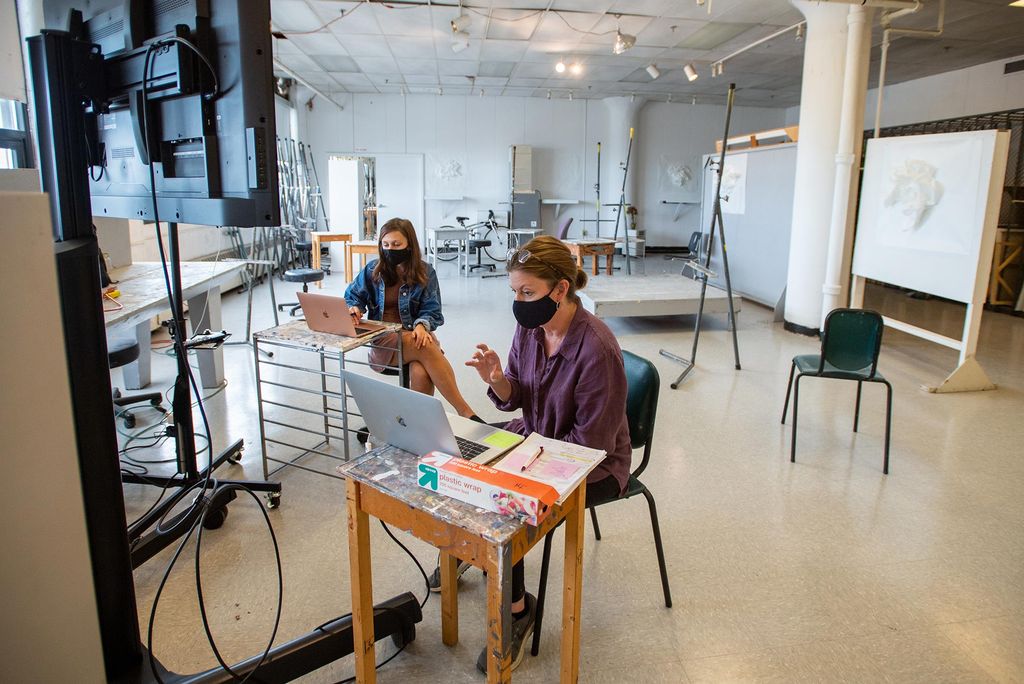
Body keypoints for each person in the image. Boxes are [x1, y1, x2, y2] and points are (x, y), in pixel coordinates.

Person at [464, 235, 632, 673]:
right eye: (515, 293)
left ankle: (517, 610)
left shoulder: (597, 349)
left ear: (560, 289)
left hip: (591, 465)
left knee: (502, 503)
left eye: (528, 293)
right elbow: (519, 393)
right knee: (470, 458)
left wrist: (522, 463)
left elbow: (590, 447)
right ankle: (481, 556)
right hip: (537, 440)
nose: (520, 304)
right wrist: (499, 379)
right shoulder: (532, 325)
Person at [344, 217, 479, 420]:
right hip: (384, 340)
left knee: (420, 371)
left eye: (397, 244)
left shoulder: (426, 272)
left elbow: (432, 311)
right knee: (424, 345)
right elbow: (352, 296)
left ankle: (416, 425)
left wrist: (423, 325)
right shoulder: (373, 270)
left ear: (410, 245)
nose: (391, 249)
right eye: (386, 244)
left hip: (414, 336)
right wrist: (353, 307)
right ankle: (466, 413)